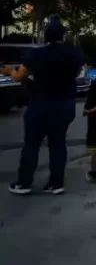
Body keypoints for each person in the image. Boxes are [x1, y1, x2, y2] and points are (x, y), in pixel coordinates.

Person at [6, 19, 85, 195]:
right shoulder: (75, 54)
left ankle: (24, 183)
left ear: (45, 36)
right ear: (63, 36)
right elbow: (78, 72)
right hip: (65, 104)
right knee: (58, 143)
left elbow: (19, 76)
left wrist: (10, 71)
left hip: (40, 104)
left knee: (31, 144)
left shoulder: (38, 54)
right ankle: (56, 183)